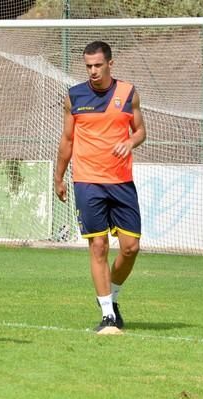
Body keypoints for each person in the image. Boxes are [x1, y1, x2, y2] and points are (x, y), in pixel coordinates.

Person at [55, 41, 146, 335]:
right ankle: (107, 315)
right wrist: (59, 177)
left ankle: (112, 297)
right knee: (98, 246)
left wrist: (130, 141)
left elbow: (140, 130)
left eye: (98, 65)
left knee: (131, 247)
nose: (93, 71)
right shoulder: (74, 96)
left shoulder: (127, 93)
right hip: (87, 180)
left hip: (121, 182)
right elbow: (67, 141)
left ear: (110, 64)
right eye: (88, 66)